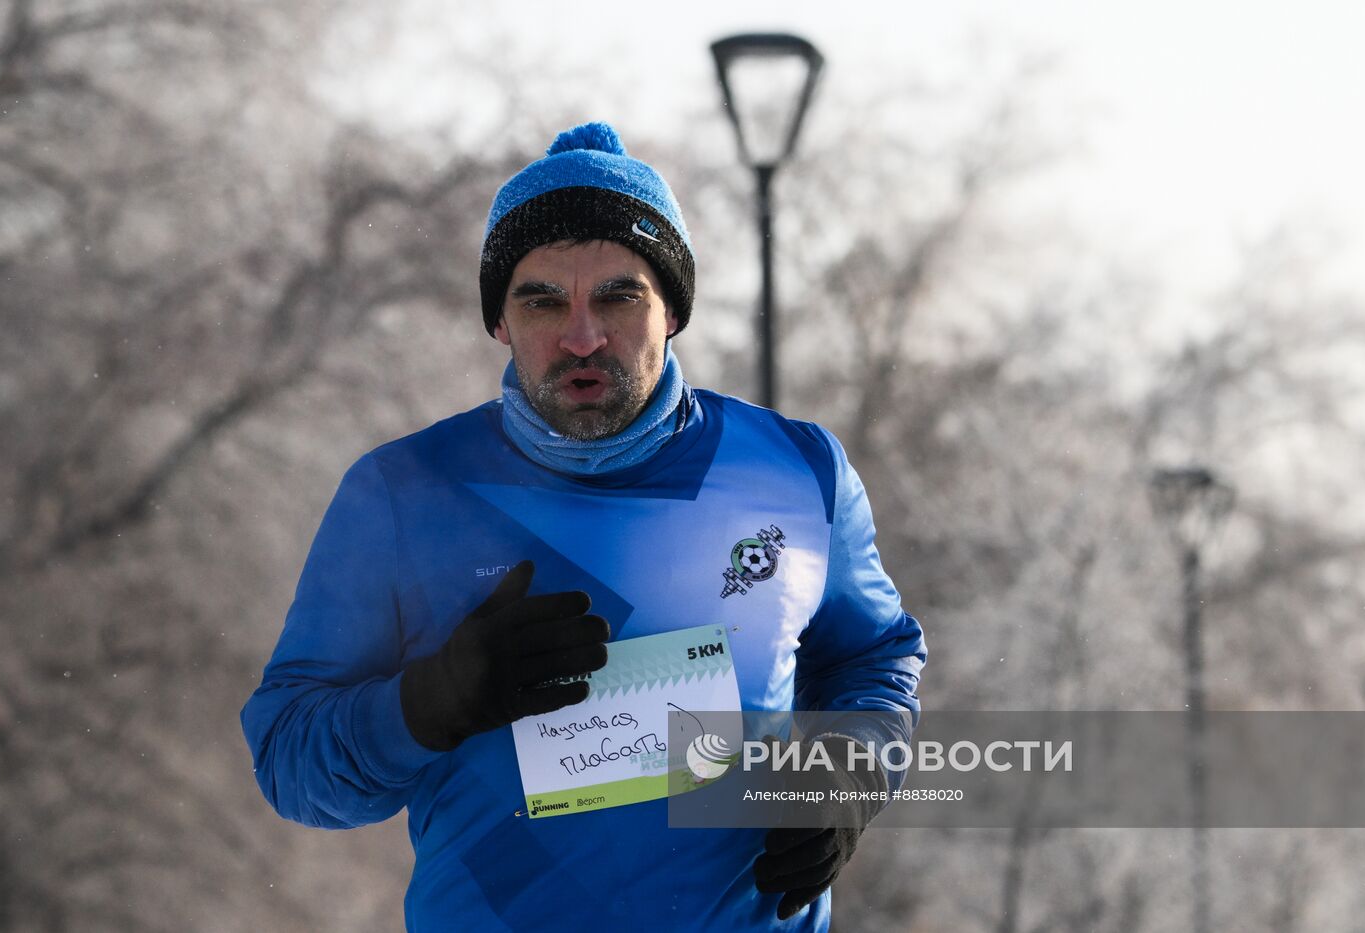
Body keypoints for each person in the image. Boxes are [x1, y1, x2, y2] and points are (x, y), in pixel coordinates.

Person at [241, 121, 926, 931]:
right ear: (499, 321)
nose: (581, 335)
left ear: (672, 309)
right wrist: (428, 703)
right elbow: (288, 761)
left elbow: (875, 658)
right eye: (541, 300)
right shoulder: (403, 496)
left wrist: (847, 769)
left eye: (618, 295)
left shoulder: (798, 471)